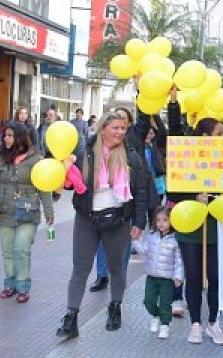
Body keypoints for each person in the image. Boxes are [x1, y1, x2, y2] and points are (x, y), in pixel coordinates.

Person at [56, 111, 151, 339]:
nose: (120, 132)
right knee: (80, 268)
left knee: (116, 267)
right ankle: (71, 316)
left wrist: (139, 221)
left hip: (118, 219)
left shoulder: (131, 156)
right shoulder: (85, 153)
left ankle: (115, 307)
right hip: (86, 219)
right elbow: (71, 183)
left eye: (123, 128)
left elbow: (140, 191)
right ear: (103, 129)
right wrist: (63, 175)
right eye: (115, 128)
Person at [166, 91, 223, 345]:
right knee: (193, 277)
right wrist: (194, 196)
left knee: (215, 278)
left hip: (217, 228)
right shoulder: (186, 157)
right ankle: (195, 323)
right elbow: (173, 191)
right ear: (204, 137)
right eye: (218, 134)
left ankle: (214, 322)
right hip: (190, 225)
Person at [0, 121, 55, 303]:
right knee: (8, 250)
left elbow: (44, 187)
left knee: (22, 248)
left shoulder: (36, 160)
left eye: (10, 136)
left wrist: (49, 211)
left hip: (28, 212)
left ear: (20, 138)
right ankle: (10, 284)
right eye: (5, 136)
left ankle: (23, 286)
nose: (6, 139)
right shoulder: (0, 158)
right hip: (5, 211)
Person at [88, 105, 152, 292]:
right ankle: (102, 275)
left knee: (123, 244)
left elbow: (139, 190)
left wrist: (144, 94)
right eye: (115, 124)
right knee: (101, 242)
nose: (119, 129)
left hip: (125, 204)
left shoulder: (134, 139)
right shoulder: (96, 148)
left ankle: (119, 277)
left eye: (123, 122)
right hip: (102, 206)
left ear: (129, 123)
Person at [132, 206, 185, 340]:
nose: (161, 223)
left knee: (165, 304)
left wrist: (178, 276)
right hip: (152, 277)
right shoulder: (151, 237)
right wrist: (136, 240)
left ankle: (165, 325)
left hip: (167, 279)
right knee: (148, 301)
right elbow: (144, 250)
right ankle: (156, 316)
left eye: (165, 220)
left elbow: (179, 261)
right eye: (158, 220)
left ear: (172, 222)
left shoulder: (175, 240)